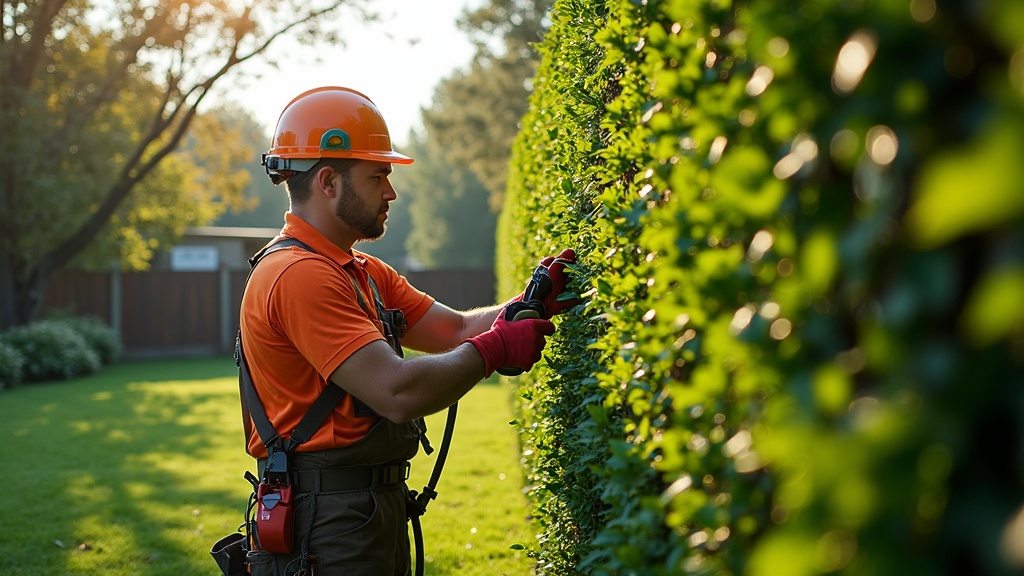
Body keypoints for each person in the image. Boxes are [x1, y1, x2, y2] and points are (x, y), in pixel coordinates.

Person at [238, 86, 577, 576]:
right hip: (326, 521)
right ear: (329, 182)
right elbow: (395, 391)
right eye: (378, 176)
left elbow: (456, 328)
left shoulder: (360, 270)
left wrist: (530, 302)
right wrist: (493, 350)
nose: (391, 191)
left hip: (363, 508)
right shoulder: (299, 275)